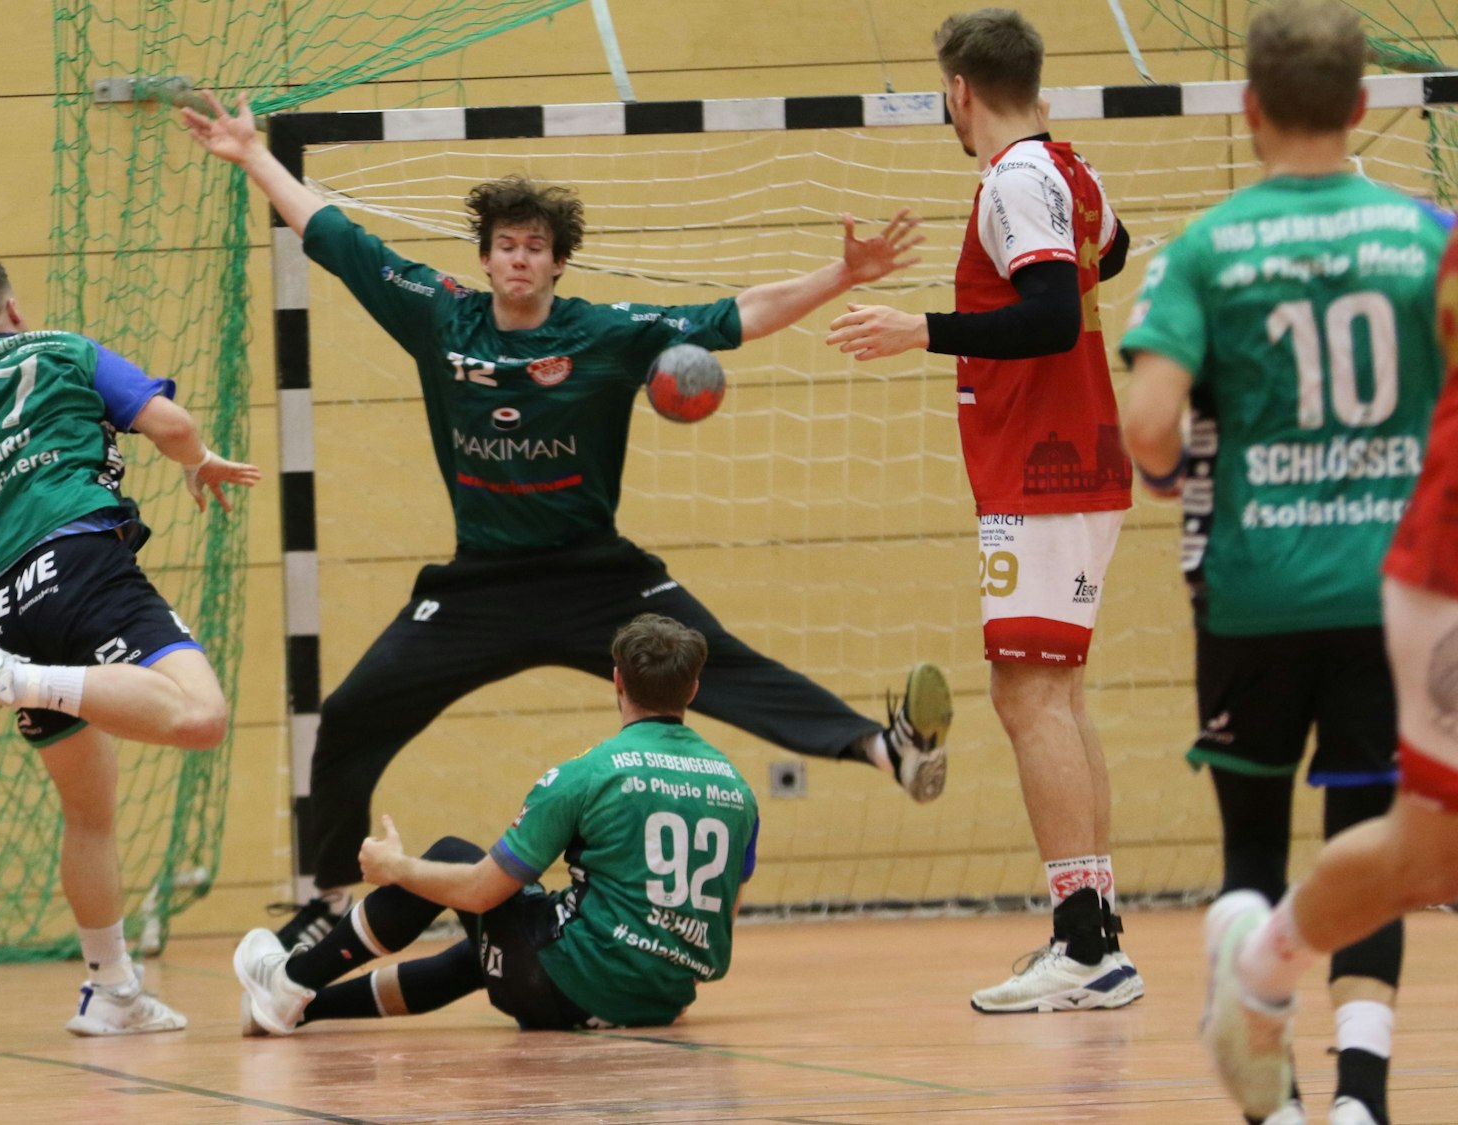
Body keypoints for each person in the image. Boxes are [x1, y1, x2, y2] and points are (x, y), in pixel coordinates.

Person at [182, 92, 955, 952]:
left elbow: (739, 315)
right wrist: (253, 155)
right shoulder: (439, 314)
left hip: (598, 577)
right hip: (479, 584)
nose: (520, 259)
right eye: (506, 246)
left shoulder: (609, 334)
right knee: (354, 711)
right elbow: (334, 235)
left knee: (725, 662)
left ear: (557, 264)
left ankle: (886, 751)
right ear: (484, 258)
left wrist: (844, 274)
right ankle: (330, 895)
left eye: (536, 248)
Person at [1119, 4, 1447, 1119]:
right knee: (1375, 844)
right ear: (1361, 105)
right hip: (1392, 593)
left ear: (1248, 110)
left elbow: (1148, 425)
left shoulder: (1202, 252)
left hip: (1251, 595)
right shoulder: (1429, 236)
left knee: (1251, 848)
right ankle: (1362, 1098)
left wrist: (1170, 475)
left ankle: (1275, 1105)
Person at [0, 252, 260, 1035]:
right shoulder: (61, 349)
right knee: (202, 717)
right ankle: (12, 679)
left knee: (88, 813)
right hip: (82, 561)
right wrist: (199, 462)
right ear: (12, 309)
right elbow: (171, 424)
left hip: (3, 602)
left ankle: (112, 990)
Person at [822, 8, 1141, 1012]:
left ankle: (1081, 948)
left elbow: (1050, 316)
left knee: (1026, 698)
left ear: (957, 90)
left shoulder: (1010, 181)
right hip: (1070, 458)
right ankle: (1096, 936)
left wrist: (917, 326)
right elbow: (1111, 254)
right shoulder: (1070, 172)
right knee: (1055, 696)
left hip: (1042, 466)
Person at [233, 613, 759, 1035]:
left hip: (564, 990)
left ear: (616, 680)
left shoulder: (589, 774)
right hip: (661, 1000)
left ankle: (291, 980)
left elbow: (481, 891)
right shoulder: (737, 789)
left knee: (453, 858)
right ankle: (306, 1008)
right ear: (693, 689)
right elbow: (720, 915)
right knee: (494, 944)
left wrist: (396, 867)